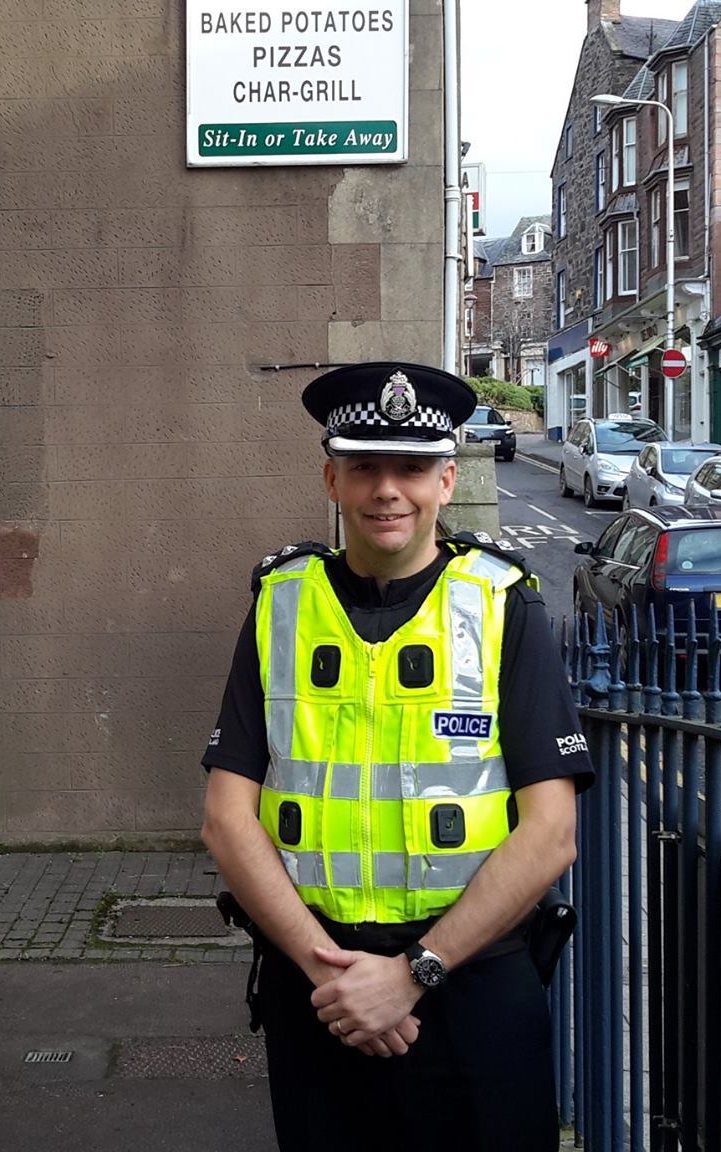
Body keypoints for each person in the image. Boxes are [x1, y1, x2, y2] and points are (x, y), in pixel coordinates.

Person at [200, 361, 596, 1151]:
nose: (389, 490)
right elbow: (225, 818)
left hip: (471, 983)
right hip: (321, 987)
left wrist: (413, 973)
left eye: (412, 468)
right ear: (331, 478)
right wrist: (332, 976)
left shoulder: (501, 603)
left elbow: (550, 831)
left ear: (446, 481)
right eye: (365, 467)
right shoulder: (281, 605)